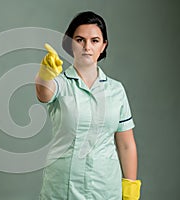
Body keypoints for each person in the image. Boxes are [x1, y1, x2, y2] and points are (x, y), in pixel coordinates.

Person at [35, 11, 142, 199]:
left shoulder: (116, 90)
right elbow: (44, 94)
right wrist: (45, 74)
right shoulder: (60, 83)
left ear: (103, 46)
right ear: (70, 44)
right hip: (62, 187)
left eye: (94, 40)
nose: (87, 47)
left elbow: (126, 144)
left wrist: (131, 189)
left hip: (105, 188)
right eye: (79, 40)